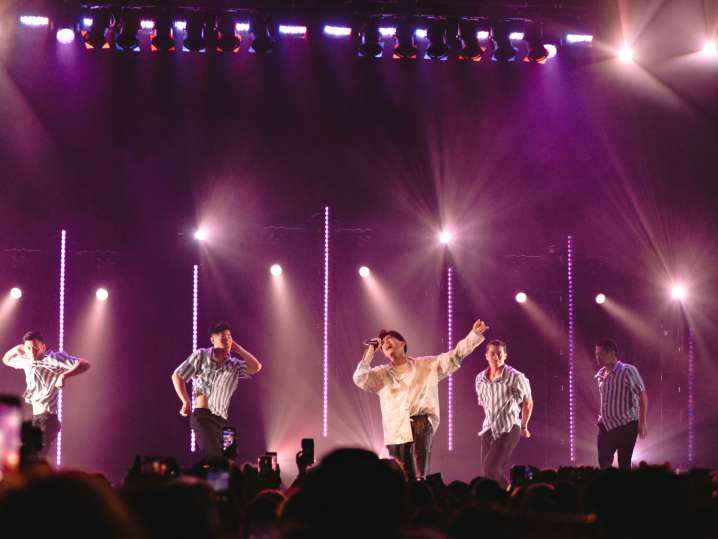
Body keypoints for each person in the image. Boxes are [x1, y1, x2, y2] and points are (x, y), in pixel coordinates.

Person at [353, 319, 489, 480]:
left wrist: (473, 336)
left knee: (420, 428)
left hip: (421, 423)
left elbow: (455, 356)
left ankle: (421, 479)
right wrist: (370, 351)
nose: (385, 343)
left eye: (389, 339)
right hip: (395, 432)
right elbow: (360, 379)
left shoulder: (427, 364)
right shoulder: (381, 374)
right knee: (402, 477)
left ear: (402, 343)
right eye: (382, 343)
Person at [172, 322, 262, 460]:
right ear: (213, 340)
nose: (227, 340)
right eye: (223, 337)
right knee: (214, 457)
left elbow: (256, 367)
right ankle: (210, 479)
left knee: (229, 460)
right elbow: (177, 375)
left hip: (223, 422)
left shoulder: (234, 365)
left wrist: (239, 349)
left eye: (229, 337)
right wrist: (185, 401)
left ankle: (215, 480)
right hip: (204, 417)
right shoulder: (202, 355)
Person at [2, 331, 90, 459]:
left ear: (43, 347)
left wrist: (63, 375)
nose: (32, 352)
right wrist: (18, 348)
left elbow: (84, 364)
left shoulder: (52, 358)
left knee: (34, 458)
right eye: (29, 348)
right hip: (36, 419)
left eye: (35, 348)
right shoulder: (26, 360)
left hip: (47, 419)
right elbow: (6, 359)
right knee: (28, 458)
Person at [475, 339, 533, 490]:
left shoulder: (516, 377)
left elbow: (528, 403)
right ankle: (506, 495)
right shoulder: (480, 379)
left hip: (509, 427)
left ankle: (513, 497)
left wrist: (524, 426)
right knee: (489, 473)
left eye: (499, 354)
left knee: (491, 467)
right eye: (492, 354)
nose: (496, 357)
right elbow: (484, 404)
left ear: (505, 355)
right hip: (488, 428)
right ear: (486, 355)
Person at [594, 338, 647, 469]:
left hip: (626, 426)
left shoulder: (628, 370)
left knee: (624, 464)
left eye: (600, 354)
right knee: (604, 464)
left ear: (611, 353)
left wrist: (642, 422)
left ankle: (623, 489)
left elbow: (642, 395)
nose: (597, 357)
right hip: (605, 426)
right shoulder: (601, 374)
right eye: (596, 354)